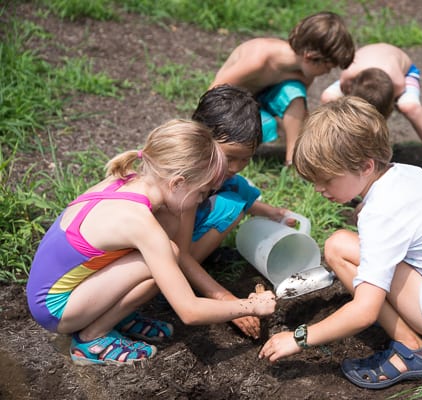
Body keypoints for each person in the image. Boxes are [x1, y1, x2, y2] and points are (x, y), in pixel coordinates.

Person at [258, 97, 422, 390]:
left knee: (339, 249)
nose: (319, 189)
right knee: (341, 245)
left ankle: (413, 351)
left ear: (366, 166)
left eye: (327, 180)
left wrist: (299, 338)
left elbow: (364, 312)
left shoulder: (381, 213)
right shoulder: (406, 173)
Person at [26, 119, 276, 366]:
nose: (201, 200)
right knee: (167, 256)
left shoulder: (130, 181)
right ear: (177, 183)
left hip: (56, 290)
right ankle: (91, 339)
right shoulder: (140, 223)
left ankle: (114, 315)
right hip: (55, 309)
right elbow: (189, 311)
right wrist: (251, 306)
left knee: (167, 246)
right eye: (201, 193)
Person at [171, 84, 295, 339]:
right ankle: (183, 278)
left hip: (177, 243)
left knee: (237, 188)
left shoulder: (209, 167)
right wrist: (228, 302)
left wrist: (271, 212)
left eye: (246, 158)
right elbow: (179, 254)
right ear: (201, 139)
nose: (237, 166)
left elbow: (234, 184)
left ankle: (201, 257)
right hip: (167, 256)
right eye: (231, 157)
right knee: (231, 205)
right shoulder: (186, 185)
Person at [208, 11, 355, 166]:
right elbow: (213, 94)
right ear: (310, 57)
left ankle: (293, 161)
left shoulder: (304, 74)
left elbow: (299, 111)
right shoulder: (258, 60)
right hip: (232, 106)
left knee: (294, 92)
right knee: (267, 126)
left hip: (258, 102)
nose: (327, 72)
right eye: (328, 67)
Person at [320, 43, 422, 182]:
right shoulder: (348, 75)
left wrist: (387, 108)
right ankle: (327, 150)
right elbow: (344, 87)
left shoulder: (398, 83)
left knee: (409, 106)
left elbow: (394, 98)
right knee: (328, 98)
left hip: (405, 73)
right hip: (359, 77)